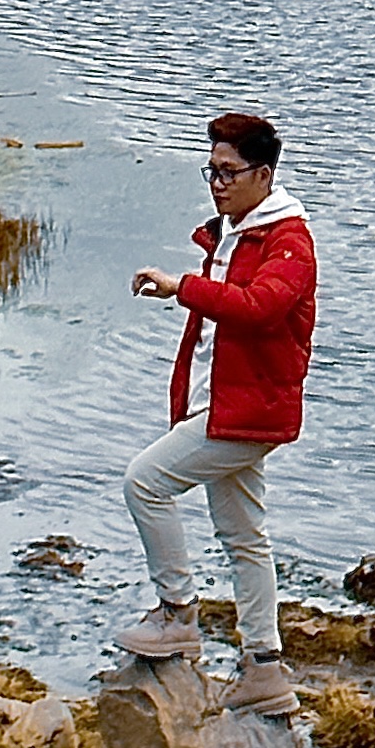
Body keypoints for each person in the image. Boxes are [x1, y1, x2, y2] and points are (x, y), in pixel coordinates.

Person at [120, 109, 316, 713]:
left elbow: (259, 307)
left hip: (249, 412)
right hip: (225, 405)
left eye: (229, 172)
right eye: (211, 171)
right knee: (244, 537)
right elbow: (221, 325)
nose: (218, 184)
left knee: (145, 483)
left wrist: (182, 286)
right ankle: (265, 671)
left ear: (264, 175)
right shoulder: (234, 235)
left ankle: (177, 613)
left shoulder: (289, 242)